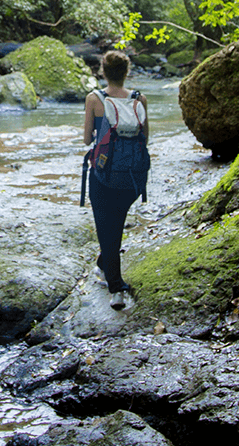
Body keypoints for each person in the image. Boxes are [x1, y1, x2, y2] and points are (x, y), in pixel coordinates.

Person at [82, 50, 148, 311]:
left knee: (105, 228)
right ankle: (105, 263)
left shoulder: (94, 99)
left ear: (103, 71)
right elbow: (145, 138)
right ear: (127, 72)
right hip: (133, 177)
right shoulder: (139, 99)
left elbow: (87, 139)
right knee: (115, 226)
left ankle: (116, 288)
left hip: (103, 174)